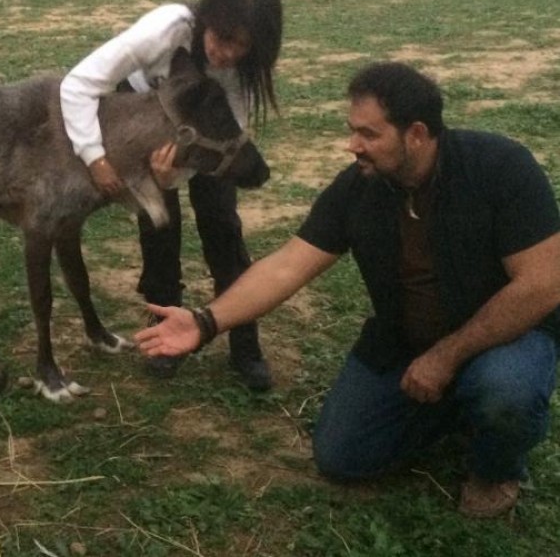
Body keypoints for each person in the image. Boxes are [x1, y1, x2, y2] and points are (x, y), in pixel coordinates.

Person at [135, 61, 560, 517]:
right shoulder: (359, 187)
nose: (352, 145)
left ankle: (496, 467)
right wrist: (205, 322)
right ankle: (458, 407)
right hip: (404, 342)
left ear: (416, 134)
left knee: (505, 391)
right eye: (352, 130)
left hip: (503, 339)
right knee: (343, 456)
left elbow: (543, 285)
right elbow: (287, 267)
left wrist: (445, 358)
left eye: (368, 134)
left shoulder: (499, 167)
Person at [60, 0, 283, 391]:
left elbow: (228, 140)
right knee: (159, 228)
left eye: (242, 45)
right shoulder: (166, 29)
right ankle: (164, 330)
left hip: (208, 131)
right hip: (147, 119)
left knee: (222, 224)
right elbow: (77, 85)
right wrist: (95, 157)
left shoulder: (241, 71)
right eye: (223, 37)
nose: (227, 53)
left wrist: (177, 173)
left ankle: (245, 344)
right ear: (208, 17)